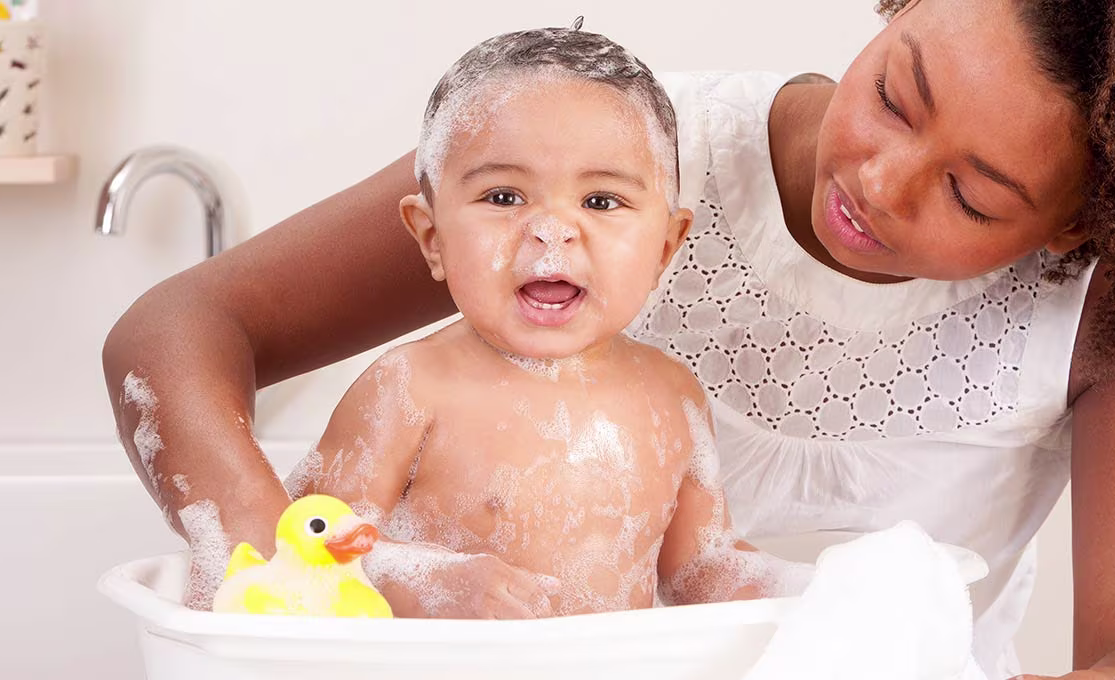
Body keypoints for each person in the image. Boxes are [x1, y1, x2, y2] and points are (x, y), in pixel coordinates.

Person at [102, 0, 1115, 677]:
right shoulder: (609, 163)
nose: (882, 180)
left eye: (973, 197)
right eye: (897, 90)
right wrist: (282, 586)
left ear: (1078, 226)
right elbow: (182, 325)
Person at [280, 26, 808, 618]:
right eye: (504, 197)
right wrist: (429, 584)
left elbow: (700, 570)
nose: (552, 230)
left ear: (665, 246)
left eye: (601, 201)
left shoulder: (672, 397)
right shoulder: (410, 387)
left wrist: (825, 589)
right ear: (432, 237)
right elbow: (305, 550)